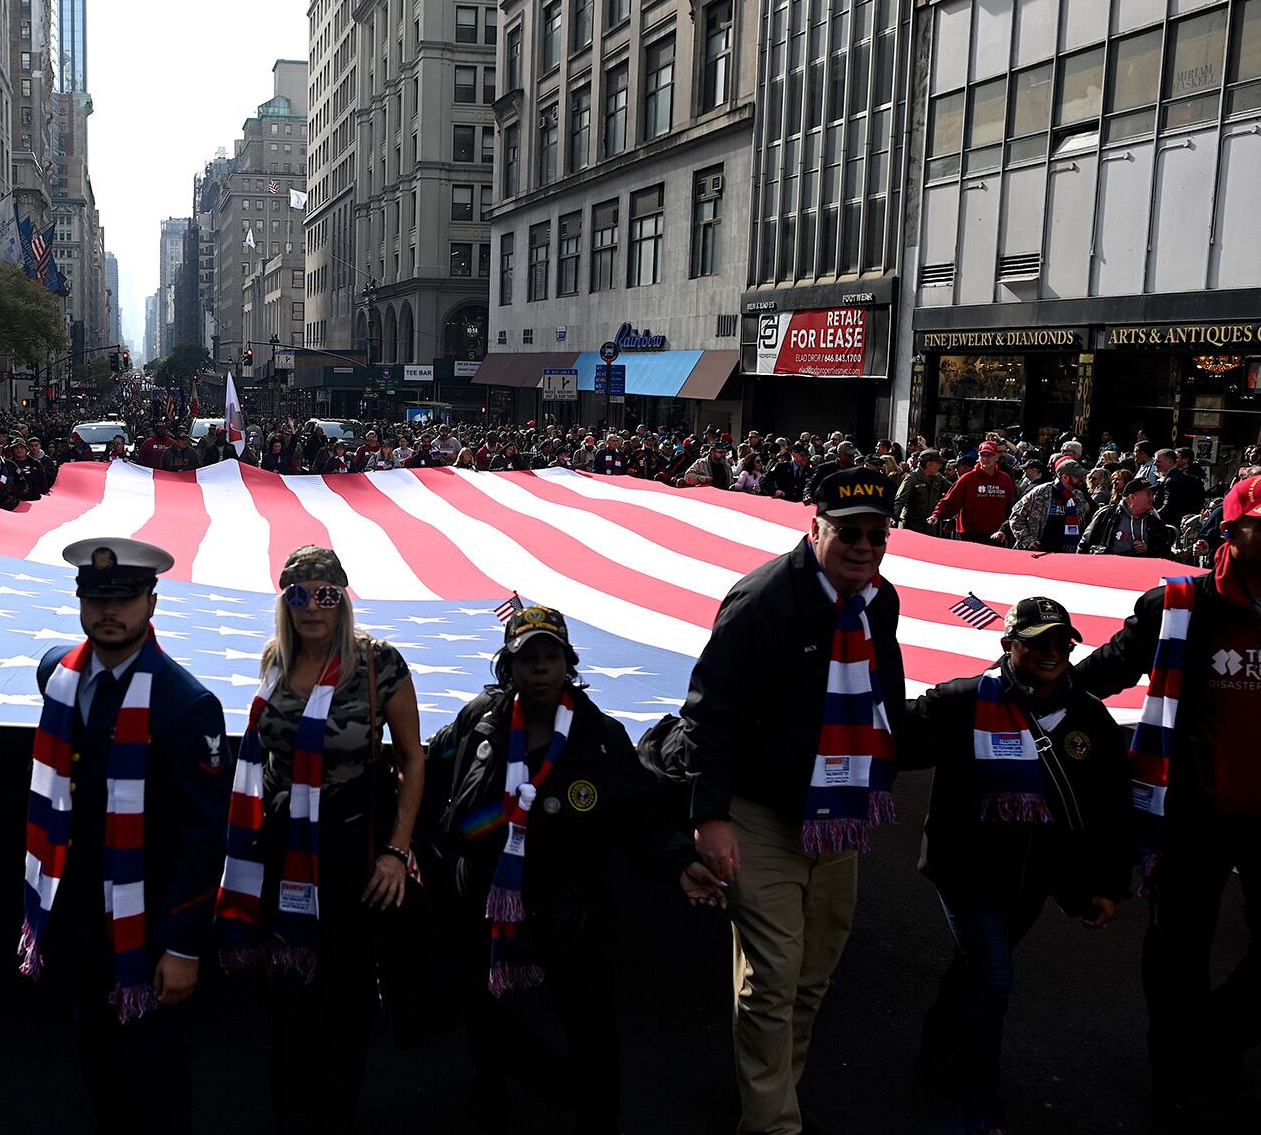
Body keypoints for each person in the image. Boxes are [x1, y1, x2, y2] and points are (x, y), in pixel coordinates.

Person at [1072, 472, 1261, 1122]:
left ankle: (1209, 1047)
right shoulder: (1178, 606)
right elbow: (1105, 671)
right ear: (1232, 534)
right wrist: (1018, 694)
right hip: (1192, 815)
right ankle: (1175, 1067)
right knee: (1179, 949)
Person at [680, 467, 908, 1135]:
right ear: (815, 529)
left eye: (876, 535)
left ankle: (773, 1086)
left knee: (812, 976)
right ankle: (772, 1123)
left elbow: (883, 690)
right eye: (848, 534)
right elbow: (709, 710)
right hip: (761, 812)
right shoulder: (762, 602)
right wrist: (711, 818)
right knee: (775, 977)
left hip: (838, 819)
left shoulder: (880, 600)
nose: (863, 548)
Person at [421, 605, 708, 1132]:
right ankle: (492, 1096)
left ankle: (596, 1115)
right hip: (486, 903)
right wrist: (416, 847)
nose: (539, 669)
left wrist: (679, 862)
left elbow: (637, 817)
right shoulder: (478, 721)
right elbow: (429, 776)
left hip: (570, 909)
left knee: (592, 1029)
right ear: (508, 667)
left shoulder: (600, 737)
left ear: (567, 663)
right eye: (526, 658)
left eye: (550, 656)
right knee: (486, 1020)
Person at [21, 537, 229, 1134]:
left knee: (156, 1078)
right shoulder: (58, 676)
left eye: (126, 598)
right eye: (96, 597)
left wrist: (184, 947)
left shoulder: (187, 707)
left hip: (148, 928)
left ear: (152, 602)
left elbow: (200, 841)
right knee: (98, 1068)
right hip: (77, 919)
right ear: (81, 601)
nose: (110, 611)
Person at [215, 545, 425, 1131]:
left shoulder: (378, 663)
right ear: (286, 601)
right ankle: (289, 1104)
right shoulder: (275, 659)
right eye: (299, 594)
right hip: (282, 848)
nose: (313, 606)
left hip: (352, 853)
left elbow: (412, 759)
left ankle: (334, 1111)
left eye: (326, 593)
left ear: (343, 599)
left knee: (344, 989)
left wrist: (397, 850)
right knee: (284, 984)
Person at [908, 598, 1132, 1135]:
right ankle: (979, 1104)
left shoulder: (1089, 717)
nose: (1052, 653)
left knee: (977, 969)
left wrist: (1107, 884)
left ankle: (937, 1042)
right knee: (995, 979)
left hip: (1035, 880)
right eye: (1037, 642)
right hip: (966, 873)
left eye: (1062, 643)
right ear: (1010, 645)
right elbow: (892, 740)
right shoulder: (961, 701)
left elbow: (1111, 807)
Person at [930, 441, 1018, 545]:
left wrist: (1005, 529)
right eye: (982, 455)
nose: (985, 458)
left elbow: (1012, 508)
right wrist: (937, 515)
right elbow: (950, 501)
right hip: (969, 536)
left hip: (996, 536)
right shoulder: (967, 479)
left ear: (996, 457)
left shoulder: (1005, 479)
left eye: (989, 455)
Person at [1080, 476, 1175, 560]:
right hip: (1109, 569)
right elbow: (1085, 543)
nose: (1153, 499)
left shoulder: (1154, 520)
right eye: (1148, 494)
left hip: (1141, 571)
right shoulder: (1107, 515)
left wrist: (1148, 549)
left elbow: (1165, 550)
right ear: (1132, 498)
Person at [895, 450, 953, 534]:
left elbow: (953, 489)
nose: (940, 466)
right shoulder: (911, 479)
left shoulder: (938, 478)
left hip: (929, 527)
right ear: (929, 464)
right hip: (911, 527)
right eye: (938, 463)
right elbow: (899, 501)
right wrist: (893, 519)